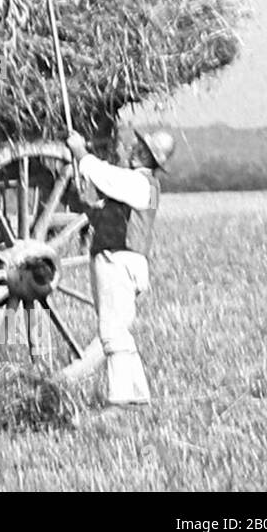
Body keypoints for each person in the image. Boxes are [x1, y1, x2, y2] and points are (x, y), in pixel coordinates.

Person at [66, 127, 177, 411]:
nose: (131, 150)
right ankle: (138, 397)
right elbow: (105, 209)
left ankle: (120, 402)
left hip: (120, 260)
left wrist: (81, 154)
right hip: (123, 259)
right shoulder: (140, 186)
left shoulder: (139, 183)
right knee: (119, 332)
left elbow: (107, 178)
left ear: (145, 156)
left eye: (138, 148)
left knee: (112, 332)